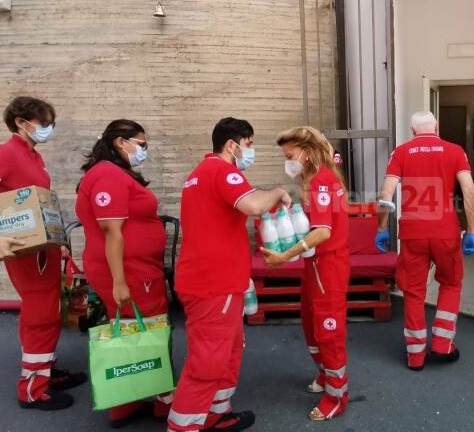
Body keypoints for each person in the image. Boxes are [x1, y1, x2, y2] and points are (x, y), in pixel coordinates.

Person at [0, 96, 86, 410]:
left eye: (50, 124)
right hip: (26, 251)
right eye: (44, 123)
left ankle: (46, 370)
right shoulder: (6, 153)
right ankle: (33, 388)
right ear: (21, 122)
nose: (48, 129)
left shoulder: (33, 157)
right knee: (40, 313)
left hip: (43, 249)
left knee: (49, 309)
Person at [168, 117, 290, 432]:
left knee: (228, 353)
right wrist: (277, 191)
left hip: (218, 282)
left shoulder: (198, 175)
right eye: (248, 145)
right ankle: (183, 426)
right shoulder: (221, 172)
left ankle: (215, 414)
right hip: (213, 286)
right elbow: (252, 205)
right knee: (206, 364)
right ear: (232, 145)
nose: (251, 152)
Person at [74, 119, 173, 427]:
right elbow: (112, 231)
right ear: (120, 142)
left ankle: (126, 402)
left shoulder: (111, 174)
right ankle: (164, 401)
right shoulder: (107, 174)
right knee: (152, 329)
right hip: (130, 272)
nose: (144, 150)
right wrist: (120, 282)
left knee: (131, 329)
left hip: (131, 269)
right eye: (141, 145)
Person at [374, 110, 474, 371]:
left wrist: (381, 227)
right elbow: (468, 191)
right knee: (451, 284)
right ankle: (443, 346)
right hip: (446, 231)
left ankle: (415, 356)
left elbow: (386, 193)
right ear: (437, 127)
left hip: (412, 233)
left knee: (413, 291)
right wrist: (473, 230)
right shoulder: (455, 151)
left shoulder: (401, 152)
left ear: (412, 131)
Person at [261, 126, 350, 421]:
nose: (287, 161)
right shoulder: (312, 179)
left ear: (307, 153)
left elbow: (323, 232)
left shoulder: (322, 181)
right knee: (311, 323)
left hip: (329, 266)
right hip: (315, 265)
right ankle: (325, 375)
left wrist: (285, 256)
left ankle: (337, 395)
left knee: (328, 328)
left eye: (290, 155)